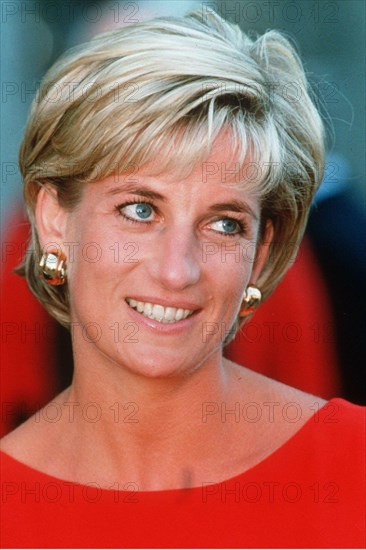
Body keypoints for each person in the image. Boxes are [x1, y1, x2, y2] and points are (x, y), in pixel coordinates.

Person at [1, 10, 364, 549]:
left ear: (260, 255)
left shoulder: (351, 469)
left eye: (223, 224)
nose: (177, 270)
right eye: (140, 210)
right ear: (54, 220)